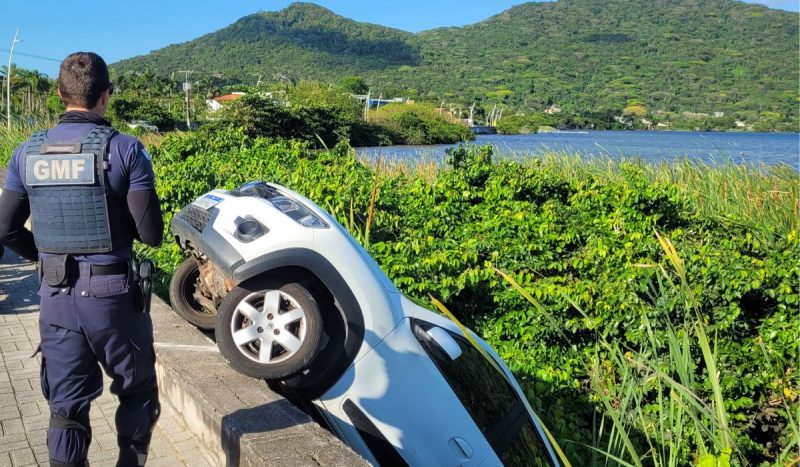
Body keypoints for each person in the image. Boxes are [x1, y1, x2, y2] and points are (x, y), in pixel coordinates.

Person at [0, 52, 164, 467]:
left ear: (59, 93)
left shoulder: (25, 153)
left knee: (65, 408)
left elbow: (5, 229)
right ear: (106, 95)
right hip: (114, 300)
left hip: (54, 297)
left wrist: (46, 257)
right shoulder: (126, 150)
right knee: (138, 393)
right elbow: (150, 234)